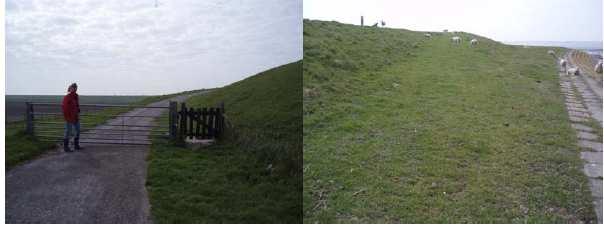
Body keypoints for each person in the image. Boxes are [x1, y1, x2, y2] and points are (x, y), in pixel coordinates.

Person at [62, 83, 83, 152]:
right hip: (69, 117)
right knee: (68, 131)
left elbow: (76, 105)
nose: (75, 88)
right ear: (70, 88)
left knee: (78, 130)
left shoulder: (76, 96)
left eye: (76, 87)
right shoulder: (67, 97)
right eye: (73, 87)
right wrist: (67, 116)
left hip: (75, 116)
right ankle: (66, 147)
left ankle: (76, 145)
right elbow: (64, 107)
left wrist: (78, 109)